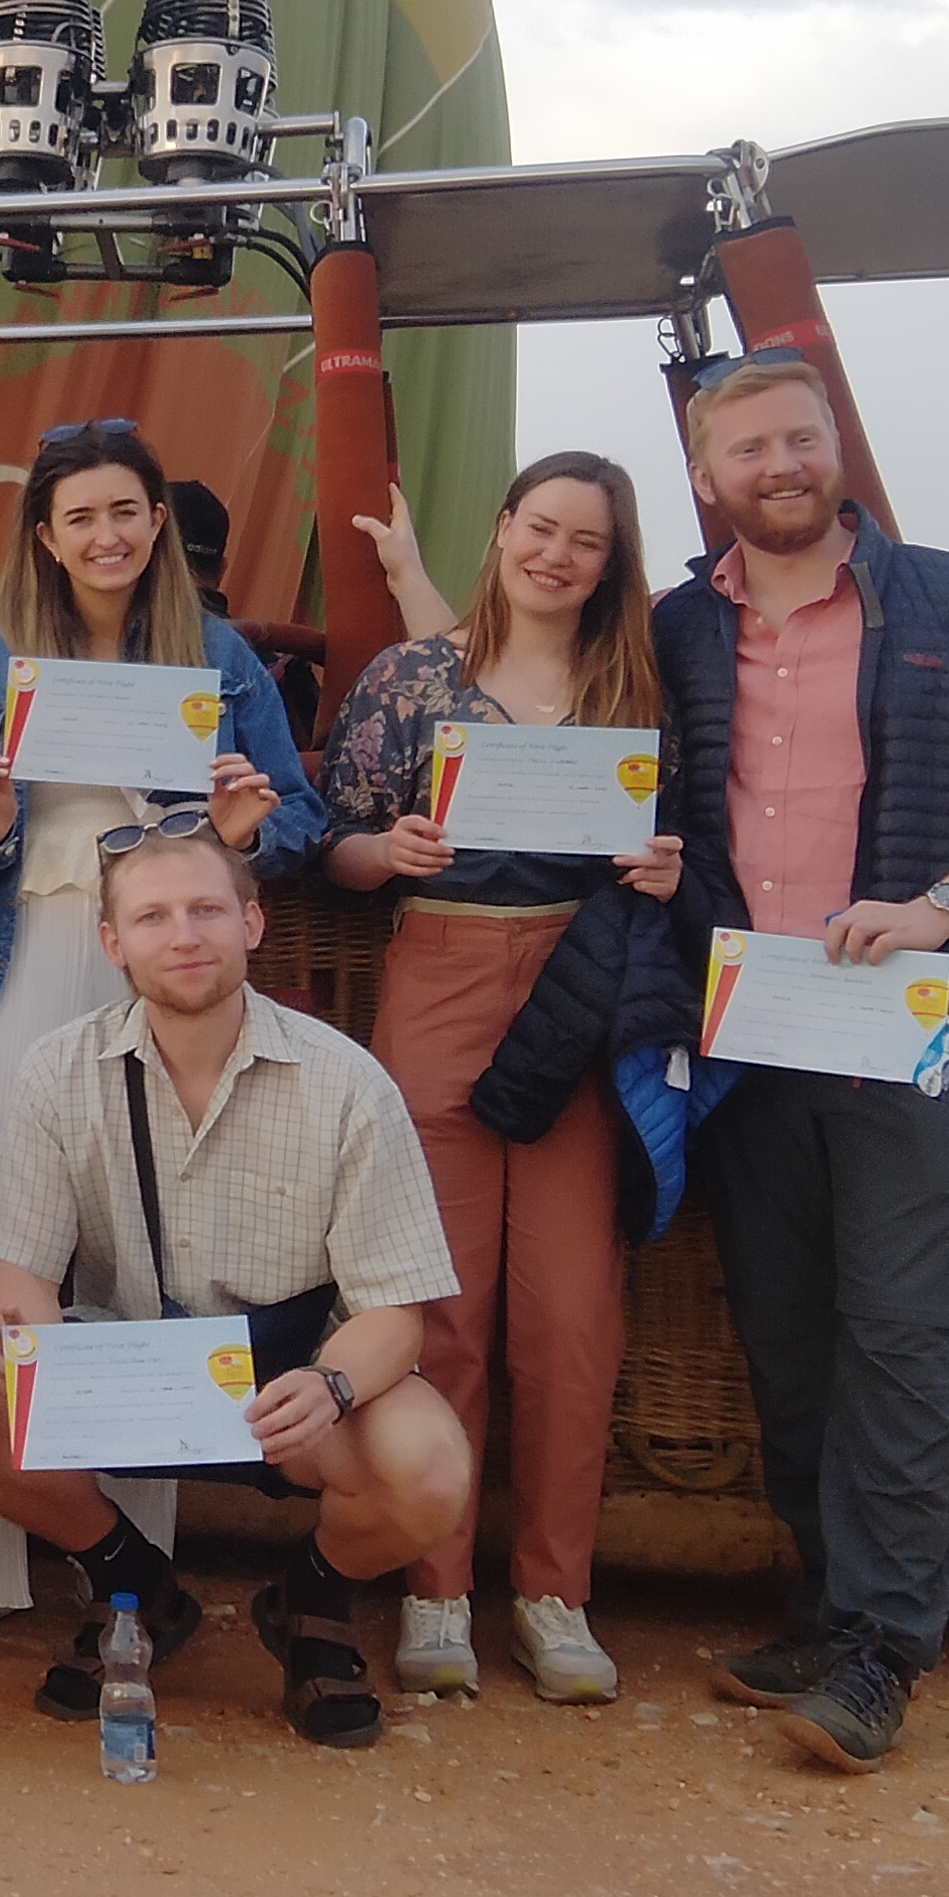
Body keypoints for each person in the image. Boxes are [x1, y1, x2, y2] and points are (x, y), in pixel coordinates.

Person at [659, 355, 949, 1772]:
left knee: (903, 1339)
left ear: (834, 446)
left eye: (800, 438)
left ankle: (887, 1649)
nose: (778, 465)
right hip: (749, 1032)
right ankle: (827, 1607)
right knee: (787, 1338)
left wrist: (940, 909)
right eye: (748, 449)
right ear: (707, 474)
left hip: (910, 1033)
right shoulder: (675, 627)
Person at [0, 418, 328, 1652]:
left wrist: (240, 829)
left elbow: (291, 823)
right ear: (44, 534)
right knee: (4, 1239)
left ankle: (133, 1568)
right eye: (79, 515)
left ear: (155, 524)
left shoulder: (219, 654)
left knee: (148, 1254)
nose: (106, 535)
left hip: (171, 966)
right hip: (26, 956)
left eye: (125, 511)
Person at [0, 818, 469, 1750]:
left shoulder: (346, 1082)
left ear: (252, 924)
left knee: (431, 1463)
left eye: (208, 909)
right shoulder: (57, 1072)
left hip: (290, 1382)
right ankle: (135, 1585)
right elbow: (22, 1280)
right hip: (132, 1367)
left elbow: (397, 1314)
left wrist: (331, 1387)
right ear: (112, 943)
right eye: (154, 915)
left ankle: (312, 1603)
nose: (185, 935)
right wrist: (26, 1346)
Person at [320, 452, 684, 1703]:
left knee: (572, 1314)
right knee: (443, 1301)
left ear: (609, 559)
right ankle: (434, 1591)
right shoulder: (413, 679)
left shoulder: (639, 684)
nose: (558, 555)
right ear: (504, 529)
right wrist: (391, 846)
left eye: (586, 539)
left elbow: (687, 839)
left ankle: (552, 1591)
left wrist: (663, 872)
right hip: (442, 974)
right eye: (541, 527)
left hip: (584, 992)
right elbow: (336, 845)